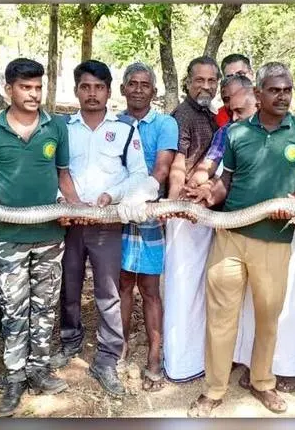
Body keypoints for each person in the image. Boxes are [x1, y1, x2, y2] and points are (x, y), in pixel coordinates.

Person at [186, 62, 295, 417]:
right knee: (221, 318)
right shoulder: (236, 133)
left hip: (275, 239)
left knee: (268, 317)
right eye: (275, 90)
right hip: (230, 235)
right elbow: (225, 182)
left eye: (288, 89)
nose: (283, 96)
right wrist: (206, 196)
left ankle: (263, 383)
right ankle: (213, 391)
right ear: (257, 94)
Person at [0, 58, 78, 416]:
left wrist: (73, 207)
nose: (34, 94)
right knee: (14, 308)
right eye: (26, 88)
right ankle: (14, 377)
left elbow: (63, 174)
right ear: (9, 89)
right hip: (10, 236)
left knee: (45, 307)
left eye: (38, 87)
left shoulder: (56, 127)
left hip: (50, 235)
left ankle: (39, 369)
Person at [50, 59, 148, 398]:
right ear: (76, 90)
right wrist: (64, 202)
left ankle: (107, 357)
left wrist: (113, 195)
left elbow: (138, 175)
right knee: (69, 285)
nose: (92, 94)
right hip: (70, 223)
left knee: (108, 291)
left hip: (107, 222)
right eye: (85, 87)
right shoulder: (61, 127)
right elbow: (52, 169)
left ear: (109, 91)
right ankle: (70, 341)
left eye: (99, 87)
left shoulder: (125, 129)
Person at [116, 62, 178, 392]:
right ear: (123, 89)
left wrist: (144, 194)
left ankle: (155, 354)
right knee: (123, 283)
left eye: (145, 84)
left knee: (150, 288)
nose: (139, 89)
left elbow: (163, 168)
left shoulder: (165, 123)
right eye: (133, 84)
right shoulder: (115, 123)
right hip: (118, 211)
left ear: (154, 92)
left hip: (151, 210)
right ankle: (122, 345)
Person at [162, 56, 220, 383]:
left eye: (212, 81)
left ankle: (199, 357)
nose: (206, 87)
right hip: (183, 213)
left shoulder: (214, 118)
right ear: (187, 82)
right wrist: (173, 206)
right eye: (200, 80)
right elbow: (177, 164)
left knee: (202, 288)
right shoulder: (180, 116)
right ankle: (180, 364)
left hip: (207, 213)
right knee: (182, 288)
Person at [185, 74, 254, 189]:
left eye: (236, 96)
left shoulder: (274, 129)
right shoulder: (225, 131)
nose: (230, 103)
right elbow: (210, 165)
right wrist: (193, 184)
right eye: (226, 99)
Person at [215, 54, 253, 127]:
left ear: (251, 74)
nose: (236, 80)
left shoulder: (271, 108)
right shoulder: (220, 118)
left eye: (241, 74)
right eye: (230, 77)